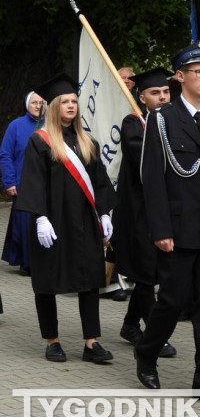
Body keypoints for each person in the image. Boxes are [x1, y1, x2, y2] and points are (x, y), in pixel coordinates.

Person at [134, 43, 200, 405]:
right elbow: (152, 179)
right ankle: (147, 353)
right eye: (198, 72)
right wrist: (160, 230)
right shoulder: (161, 119)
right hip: (178, 229)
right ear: (179, 77)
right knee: (171, 300)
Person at [16, 74, 116, 364]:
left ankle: (91, 342)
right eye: (66, 102)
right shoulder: (41, 142)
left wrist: (105, 212)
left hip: (84, 223)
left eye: (75, 101)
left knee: (90, 280)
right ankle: (52, 340)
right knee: (47, 281)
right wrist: (40, 218)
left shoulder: (87, 142)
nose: (72, 106)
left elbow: (100, 183)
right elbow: (33, 182)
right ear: (55, 106)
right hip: (53, 222)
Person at [114, 67, 176, 358]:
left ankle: (129, 324)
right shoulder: (133, 123)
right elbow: (147, 164)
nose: (162, 97)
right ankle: (154, 333)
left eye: (165, 92)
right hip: (138, 212)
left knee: (149, 274)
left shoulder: (173, 122)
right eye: (155, 93)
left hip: (163, 211)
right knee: (147, 273)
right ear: (142, 97)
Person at [1, 91, 45, 275]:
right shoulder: (16, 126)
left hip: (45, 184)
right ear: (27, 105)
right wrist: (9, 181)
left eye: (41, 102)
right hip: (22, 184)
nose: (37, 106)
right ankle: (27, 263)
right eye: (33, 102)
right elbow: (5, 154)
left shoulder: (52, 125)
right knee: (24, 225)